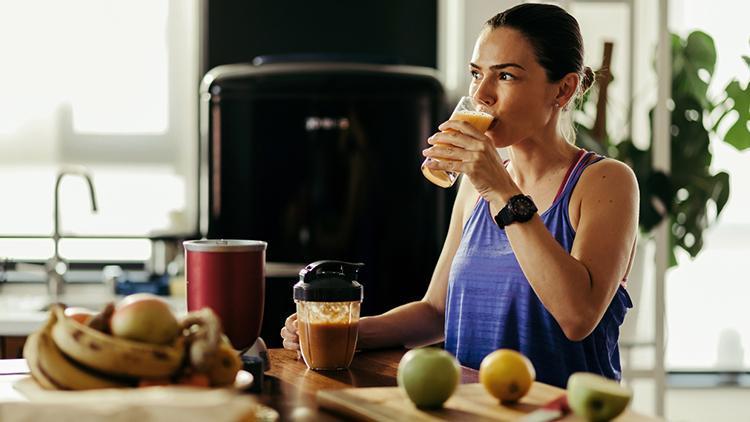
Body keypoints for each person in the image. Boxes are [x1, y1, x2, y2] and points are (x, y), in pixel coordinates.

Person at [281, 3, 638, 389]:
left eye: (505, 76)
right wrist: (340, 331)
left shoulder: (605, 182)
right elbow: (436, 311)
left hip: (560, 413)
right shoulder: (475, 185)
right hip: (471, 410)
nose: (482, 94)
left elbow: (577, 316)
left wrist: (500, 190)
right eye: (475, 74)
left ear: (563, 89)